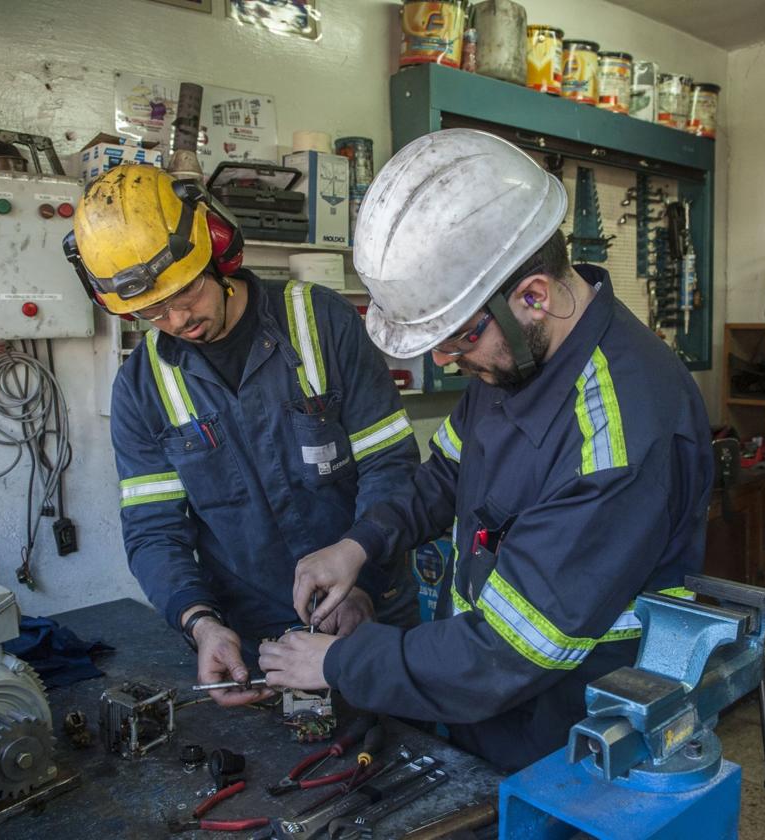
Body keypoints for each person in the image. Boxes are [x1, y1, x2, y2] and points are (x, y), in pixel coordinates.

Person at [259, 129, 713, 770]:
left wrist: (338, 663)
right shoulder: (515, 360)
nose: (445, 362)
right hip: (481, 703)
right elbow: (444, 474)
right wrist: (358, 544)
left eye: (458, 338)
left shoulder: (618, 435)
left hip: (573, 729)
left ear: (533, 295)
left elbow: (512, 648)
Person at [64, 165, 419, 706]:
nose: (177, 318)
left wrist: (363, 578)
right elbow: (155, 530)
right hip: (254, 640)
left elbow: (390, 465)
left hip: (370, 612)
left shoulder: (322, 321)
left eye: (185, 293)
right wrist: (201, 624)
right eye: (150, 310)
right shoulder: (141, 389)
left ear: (218, 250)